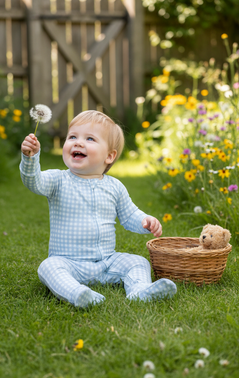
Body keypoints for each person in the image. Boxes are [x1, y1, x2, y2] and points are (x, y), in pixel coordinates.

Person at [20, 110, 177, 307]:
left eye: (90, 139)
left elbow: (129, 215)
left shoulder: (114, 186)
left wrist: (145, 221)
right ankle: (78, 293)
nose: (78, 142)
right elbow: (34, 182)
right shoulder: (58, 180)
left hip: (107, 263)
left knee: (138, 262)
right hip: (69, 263)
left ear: (109, 156)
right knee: (48, 267)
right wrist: (30, 159)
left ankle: (139, 291)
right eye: (72, 137)